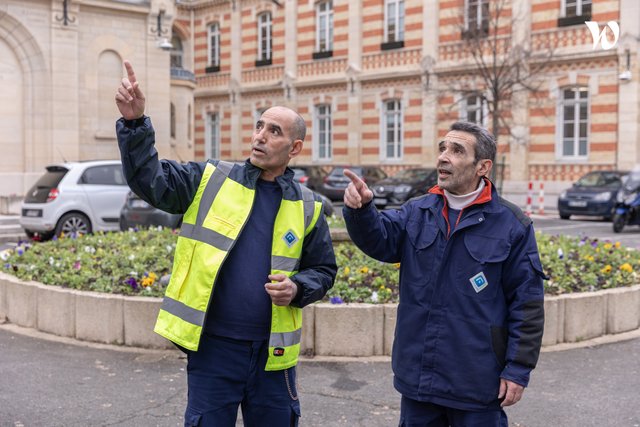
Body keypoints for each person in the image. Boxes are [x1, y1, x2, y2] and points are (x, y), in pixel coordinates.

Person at [115, 60, 337, 426]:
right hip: (214, 349)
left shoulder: (309, 205)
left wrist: (298, 287)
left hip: (274, 355)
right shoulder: (210, 179)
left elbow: (324, 270)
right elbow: (149, 180)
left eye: (274, 131)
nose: (260, 136)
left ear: (294, 148)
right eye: (259, 126)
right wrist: (136, 124)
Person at [342, 121, 545, 426]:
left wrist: (517, 369)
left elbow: (527, 305)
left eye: (457, 150)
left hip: (477, 381)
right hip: (419, 377)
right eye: (443, 148)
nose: (443, 157)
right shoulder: (417, 211)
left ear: (482, 166)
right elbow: (380, 241)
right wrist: (361, 210)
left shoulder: (512, 225)